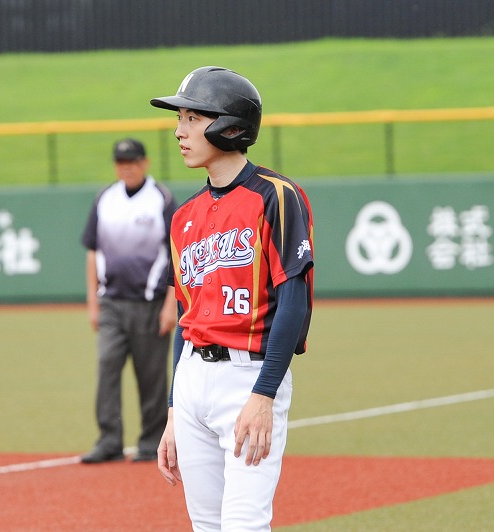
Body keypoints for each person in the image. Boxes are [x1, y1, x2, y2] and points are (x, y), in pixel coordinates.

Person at [150, 66, 315, 530]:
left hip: (249, 377)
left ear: (229, 126)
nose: (179, 132)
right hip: (191, 382)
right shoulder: (183, 216)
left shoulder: (276, 196)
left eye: (192, 118)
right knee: (206, 525)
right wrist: (173, 409)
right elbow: (186, 317)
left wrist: (264, 394)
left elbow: (294, 303)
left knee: (244, 523)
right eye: (178, 119)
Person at [80, 138, 178, 464]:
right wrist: (92, 301)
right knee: (107, 365)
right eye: (122, 162)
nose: (128, 168)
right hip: (111, 302)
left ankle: (151, 441)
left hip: (150, 302)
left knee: (151, 374)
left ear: (145, 163)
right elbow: (93, 251)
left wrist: (171, 304)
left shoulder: (161, 199)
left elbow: (178, 254)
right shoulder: (105, 198)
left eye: (133, 161)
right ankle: (109, 440)